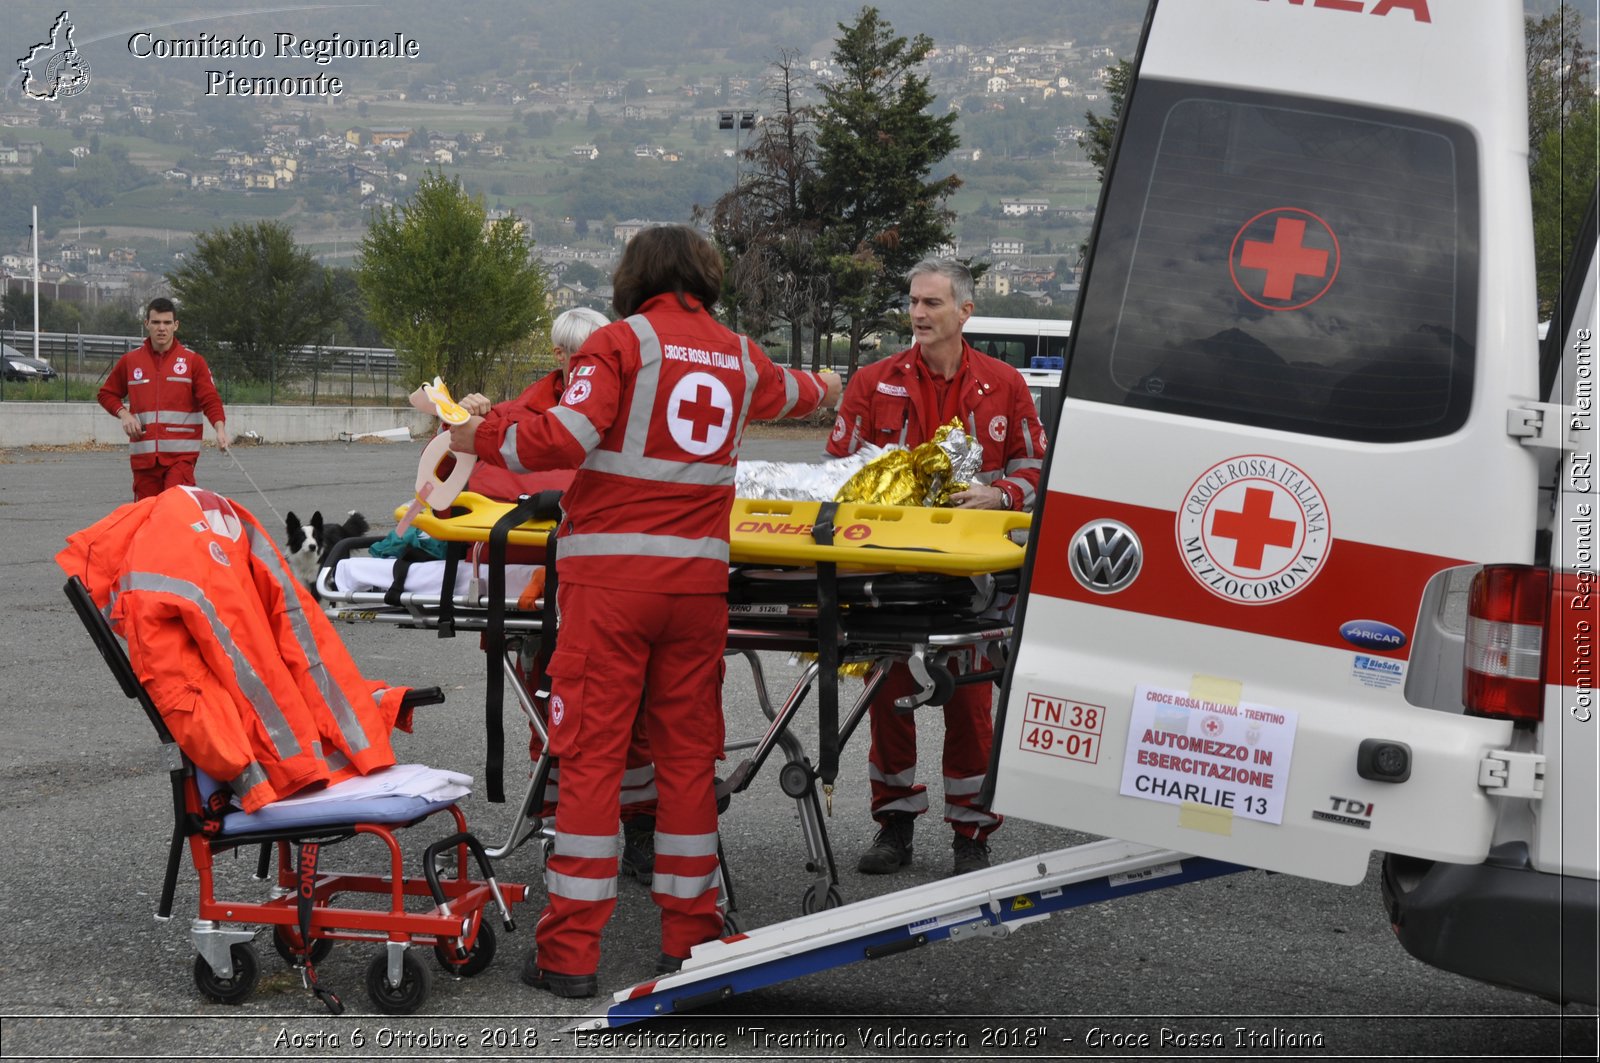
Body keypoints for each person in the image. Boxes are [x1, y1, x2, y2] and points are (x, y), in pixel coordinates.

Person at [448, 224, 840, 997]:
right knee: (687, 762)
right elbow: (796, 393)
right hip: (696, 594)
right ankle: (689, 940)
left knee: (593, 759)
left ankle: (569, 954)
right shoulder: (735, 352)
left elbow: (561, 436)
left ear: (635, 276)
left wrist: (478, 432)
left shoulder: (620, 345)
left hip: (611, 592)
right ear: (703, 276)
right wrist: (831, 385)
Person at [824, 257, 1047, 877]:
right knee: (889, 696)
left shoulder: (1005, 384)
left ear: (964, 312)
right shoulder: (873, 380)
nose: (918, 314)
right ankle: (894, 825)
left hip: (973, 580)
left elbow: (1036, 468)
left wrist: (999, 496)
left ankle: (971, 835)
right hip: (888, 577)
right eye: (914, 302)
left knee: (971, 707)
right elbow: (835, 470)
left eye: (932, 304)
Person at [458, 307, 661, 888]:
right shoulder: (519, 415)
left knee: (638, 719)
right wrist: (467, 418)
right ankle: (556, 828)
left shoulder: (630, 410)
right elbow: (469, 478)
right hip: (545, 593)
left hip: (613, 586)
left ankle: (641, 830)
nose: (587, 369)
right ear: (559, 358)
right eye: (577, 358)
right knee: (552, 716)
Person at [98, 297, 229, 500]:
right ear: (146, 324)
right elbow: (106, 394)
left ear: (176, 326)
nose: (162, 328)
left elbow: (210, 399)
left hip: (180, 459)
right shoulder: (130, 361)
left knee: (173, 513)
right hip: (144, 460)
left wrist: (220, 430)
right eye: (156, 322)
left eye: (167, 323)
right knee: (148, 520)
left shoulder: (193, 362)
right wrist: (124, 414)